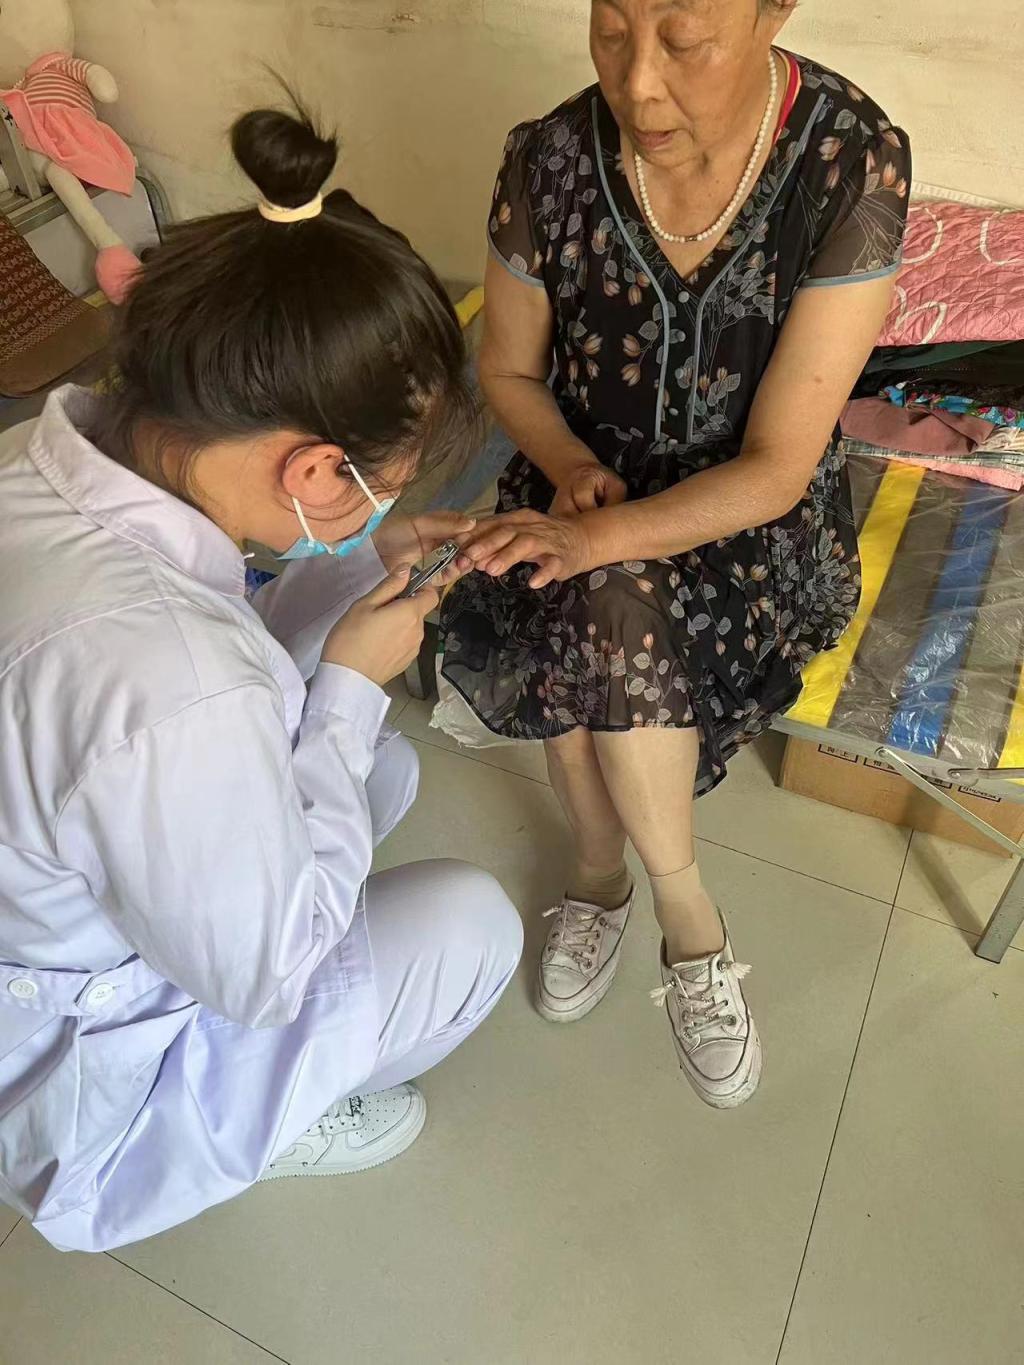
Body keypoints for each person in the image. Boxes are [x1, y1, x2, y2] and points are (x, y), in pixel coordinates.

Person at [0, 101, 523, 1254]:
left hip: (47, 878)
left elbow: (211, 638)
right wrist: (350, 692)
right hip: (75, 1054)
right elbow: (270, 973)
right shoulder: (171, 683)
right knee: (470, 928)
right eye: (376, 491)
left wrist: (359, 564)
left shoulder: (40, 458)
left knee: (369, 765)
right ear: (317, 469)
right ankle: (262, 1121)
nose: (377, 511)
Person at [441, 0, 910, 1107]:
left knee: (592, 591)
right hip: (578, 480)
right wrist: (567, 467)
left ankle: (613, 886)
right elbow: (508, 372)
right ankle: (680, 917)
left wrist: (591, 537)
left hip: (750, 521)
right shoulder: (549, 160)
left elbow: (778, 467)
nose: (637, 82)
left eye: (682, 39)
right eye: (610, 29)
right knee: (582, 593)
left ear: (772, 11)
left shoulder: (847, 158)